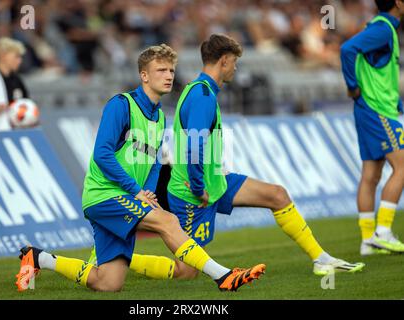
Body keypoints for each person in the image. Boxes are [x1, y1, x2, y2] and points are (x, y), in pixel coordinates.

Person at [16, 44, 266, 292]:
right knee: (168, 221)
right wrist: (135, 190)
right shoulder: (121, 105)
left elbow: (154, 162)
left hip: (126, 196)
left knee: (108, 283)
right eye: (160, 70)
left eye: (171, 70)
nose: (168, 76)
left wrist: (147, 193)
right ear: (144, 75)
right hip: (103, 196)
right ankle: (222, 276)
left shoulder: (159, 118)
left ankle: (38, 258)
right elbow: (102, 154)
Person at [163, 33, 365, 279]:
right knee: (186, 273)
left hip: (215, 181)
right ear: (224, 60)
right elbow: (194, 147)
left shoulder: (200, 90)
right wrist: (197, 188)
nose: (236, 68)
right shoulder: (202, 96)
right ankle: (121, 264)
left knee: (277, 195)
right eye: (234, 62)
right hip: (192, 194)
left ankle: (321, 259)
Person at [340, 0, 404, 255]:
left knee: (371, 175)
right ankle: (383, 232)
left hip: (372, 108)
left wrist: (396, 99)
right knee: (402, 165)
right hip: (376, 110)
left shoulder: (384, 28)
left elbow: (377, 70)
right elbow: (347, 49)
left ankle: (368, 240)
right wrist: (352, 85)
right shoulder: (384, 28)